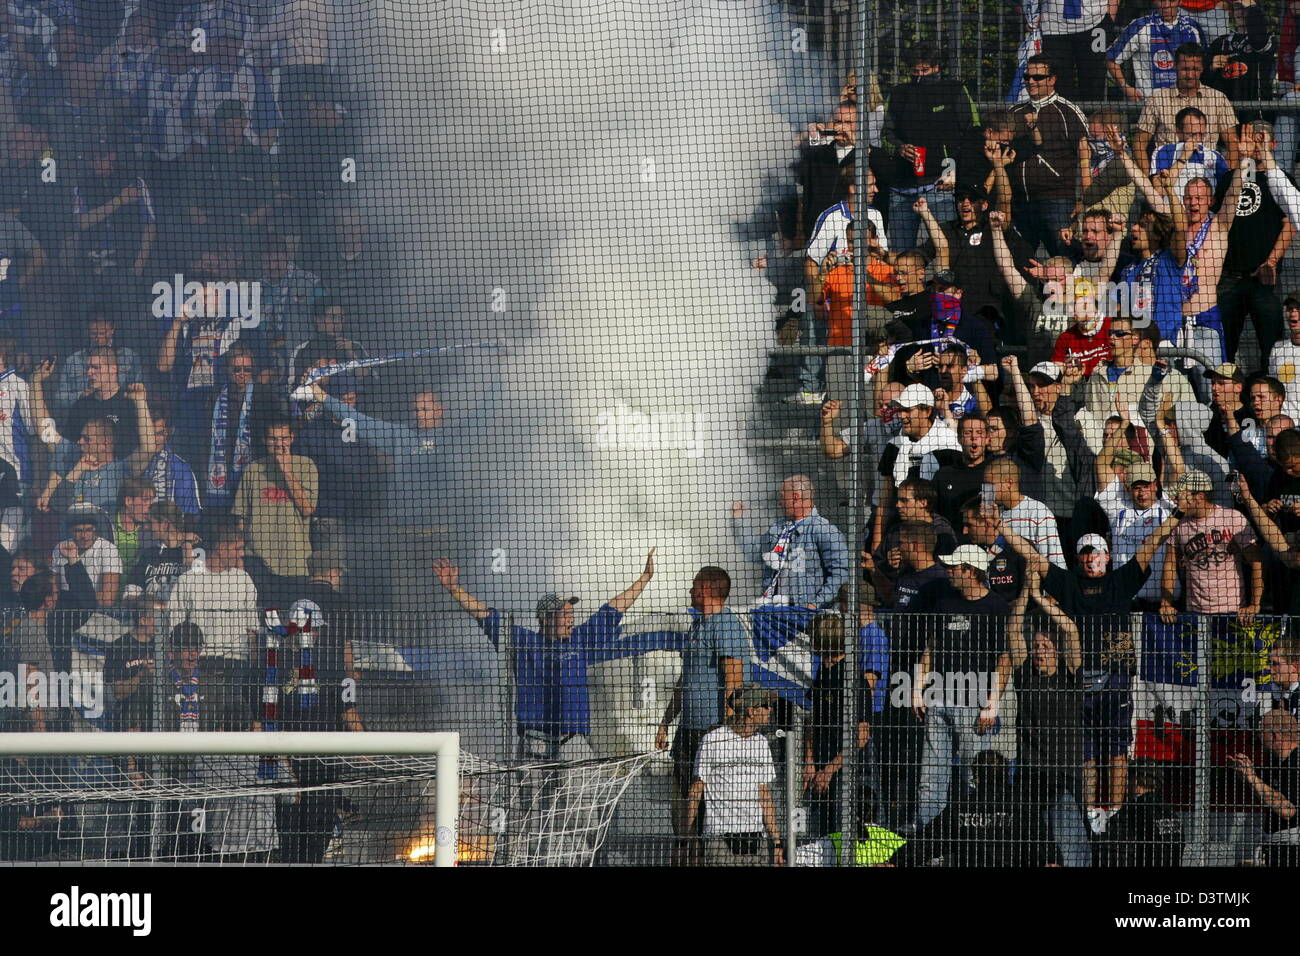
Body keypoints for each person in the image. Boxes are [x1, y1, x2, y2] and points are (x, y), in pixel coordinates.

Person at [434, 550, 683, 761]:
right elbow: (485, 615)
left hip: (575, 744)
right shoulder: (523, 643)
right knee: (534, 811)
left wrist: (645, 578)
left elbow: (614, 608)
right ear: (545, 619)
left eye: (571, 612)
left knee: (578, 812)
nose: (570, 617)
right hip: (536, 743)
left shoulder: (581, 639)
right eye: (564, 613)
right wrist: (454, 588)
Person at [904, 544, 1011, 830]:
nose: (949, 572)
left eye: (954, 567)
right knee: (931, 779)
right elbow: (932, 648)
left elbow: (1005, 659)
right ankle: (928, 843)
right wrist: (918, 689)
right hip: (938, 699)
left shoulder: (998, 607)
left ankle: (968, 842)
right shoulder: (944, 603)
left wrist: (991, 704)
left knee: (971, 777)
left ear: (970, 571)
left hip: (973, 704)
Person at [655, 565, 750, 859]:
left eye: (694, 586)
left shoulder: (726, 624)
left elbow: (733, 674)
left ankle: (710, 855)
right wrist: (665, 722)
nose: (690, 590)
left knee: (710, 798)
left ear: (707, 589)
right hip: (688, 730)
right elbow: (685, 680)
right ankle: (686, 850)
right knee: (683, 797)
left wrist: (725, 726)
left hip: (712, 729)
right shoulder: (697, 626)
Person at [1007, 572, 1090, 866]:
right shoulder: (1025, 674)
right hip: (1032, 768)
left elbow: (1071, 631)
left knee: (1072, 829)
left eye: (1045, 646)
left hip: (1067, 767)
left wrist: (1041, 599)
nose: (1039, 650)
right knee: (1034, 831)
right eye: (1037, 646)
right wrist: (1025, 593)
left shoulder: (1070, 677)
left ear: (1056, 650)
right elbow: (1014, 630)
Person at [880, 41, 977, 250]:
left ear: (937, 68)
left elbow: (973, 133)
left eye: (925, 70)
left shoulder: (955, 90)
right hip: (902, 187)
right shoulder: (898, 94)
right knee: (900, 252)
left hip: (941, 185)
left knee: (946, 247)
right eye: (915, 71)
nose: (920, 76)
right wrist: (899, 147)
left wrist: (955, 170)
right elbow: (886, 135)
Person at [166, 523, 261, 734]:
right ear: (221, 547)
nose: (241, 554)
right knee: (205, 722)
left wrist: (254, 666)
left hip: (237, 663)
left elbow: (252, 628)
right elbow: (174, 627)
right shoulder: (189, 580)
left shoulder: (243, 580)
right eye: (237, 548)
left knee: (235, 723)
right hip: (202, 663)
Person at [687, 685, 783, 867]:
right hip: (720, 837)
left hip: (755, 836)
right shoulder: (713, 740)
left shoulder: (761, 743)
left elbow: (764, 795)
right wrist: (688, 839)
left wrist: (776, 841)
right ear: (750, 711)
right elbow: (695, 790)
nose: (770, 710)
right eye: (765, 705)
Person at [1008, 55, 1088, 259]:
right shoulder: (1015, 111)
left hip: (1058, 201)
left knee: (1064, 259)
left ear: (1052, 79)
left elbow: (1086, 159)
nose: (1031, 82)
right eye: (1027, 76)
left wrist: (1084, 200)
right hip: (1020, 204)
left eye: (1038, 77)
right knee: (1019, 264)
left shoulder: (1068, 111)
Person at [803, 613, 873, 839]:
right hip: (823, 766)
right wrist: (810, 761)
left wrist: (830, 770)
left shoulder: (852, 678)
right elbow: (813, 718)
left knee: (848, 834)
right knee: (821, 834)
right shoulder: (823, 672)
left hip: (850, 772)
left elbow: (861, 736)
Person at [1161, 469, 1263, 624]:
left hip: (1233, 611)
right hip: (1194, 613)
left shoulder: (1232, 518)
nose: (1176, 501)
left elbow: (1256, 561)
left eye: (1181, 496)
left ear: (1199, 497)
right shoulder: (1178, 523)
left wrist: (1254, 605)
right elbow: (1169, 564)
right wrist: (1166, 603)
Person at [731, 474, 849, 608]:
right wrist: (739, 520)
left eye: (782, 496)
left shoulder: (825, 530)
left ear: (795, 497)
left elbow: (840, 574)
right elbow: (754, 553)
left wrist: (815, 604)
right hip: (770, 611)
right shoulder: (777, 528)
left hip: (804, 616)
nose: (780, 502)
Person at [1131, 43, 1239, 170]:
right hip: (1167, 174)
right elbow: (1139, 144)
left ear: (1202, 68)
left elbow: (1233, 145)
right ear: (1175, 66)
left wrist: (1223, 180)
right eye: (1185, 69)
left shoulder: (1219, 99)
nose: (1190, 75)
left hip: (1206, 176)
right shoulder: (1157, 100)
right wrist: (1150, 180)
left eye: (1195, 69)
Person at [232, 418, 318, 579]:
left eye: (284, 438)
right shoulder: (253, 469)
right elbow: (241, 518)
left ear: (292, 438)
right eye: (273, 438)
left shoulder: (306, 465)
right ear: (265, 440)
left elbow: (307, 509)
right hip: (257, 560)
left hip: (295, 561)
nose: (279, 444)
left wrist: (287, 471)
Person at [1228, 711, 1300, 866]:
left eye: (1262, 731)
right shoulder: (1276, 762)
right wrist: (1247, 775)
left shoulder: (1296, 762)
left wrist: (1252, 778)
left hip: (1292, 849)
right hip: (1278, 845)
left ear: (1275, 735)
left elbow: (1288, 810)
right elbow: (1268, 793)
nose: (1258, 736)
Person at [1106, 0, 1206, 101]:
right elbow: (1111, 59)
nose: (1166, 5)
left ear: (1180, 1)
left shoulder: (1193, 28)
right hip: (1148, 103)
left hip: (1189, 102)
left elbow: (1203, 64)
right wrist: (1125, 88)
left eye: (1172, 1)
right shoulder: (1139, 26)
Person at [1102, 762, 1184, 866]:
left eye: (1128, 780)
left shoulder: (1131, 811)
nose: (1125, 785)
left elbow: (1115, 852)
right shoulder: (1170, 811)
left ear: (1135, 782)